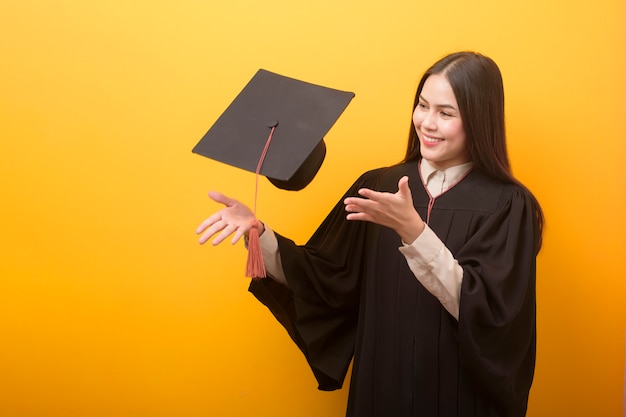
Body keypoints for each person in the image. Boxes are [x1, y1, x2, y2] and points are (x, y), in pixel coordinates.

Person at [196, 51, 544, 417]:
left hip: (460, 399)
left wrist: (413, 231)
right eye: (422, 106)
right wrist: (259, 234)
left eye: (446, 113)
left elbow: (492, 318)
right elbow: (326, 280)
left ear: (478, 119)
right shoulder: (378, 186)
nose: (427, 122)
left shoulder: (507, 205)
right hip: (382, 391)